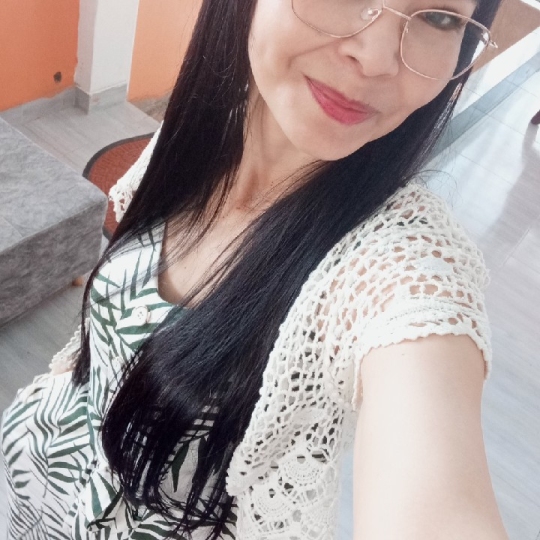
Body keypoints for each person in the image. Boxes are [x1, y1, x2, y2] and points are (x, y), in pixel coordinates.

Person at [1, 0, 510, 538]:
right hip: (27, 479)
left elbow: (435, 486)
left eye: (440, 17)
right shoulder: (203, 135)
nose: (377, 59)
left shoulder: (399, 265)